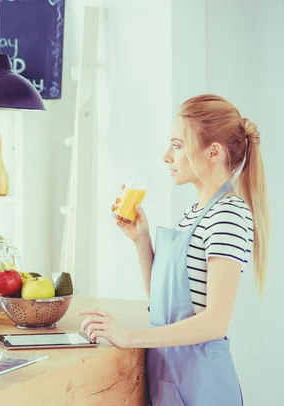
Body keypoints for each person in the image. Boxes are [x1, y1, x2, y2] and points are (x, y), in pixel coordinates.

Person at [78, 94, 269, 405]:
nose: (166, 156)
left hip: (200, 387)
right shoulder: (194, 212)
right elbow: (163, 305)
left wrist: (129, 336)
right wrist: (141, 240)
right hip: (171, 380)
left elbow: (215, 322)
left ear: (213, 152)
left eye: (177, 145)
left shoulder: (228, 215)